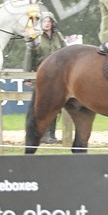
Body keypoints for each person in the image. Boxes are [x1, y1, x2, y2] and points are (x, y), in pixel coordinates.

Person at [25, 14, 66, 142]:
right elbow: (29, 56)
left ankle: (51, 135)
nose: (47, 23)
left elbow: (66, 52)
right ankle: (43, 134)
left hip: (57, 76)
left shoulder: (58, 36)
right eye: (44, 21)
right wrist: (27, 77)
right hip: (42, 75)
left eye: (49, 21)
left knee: (56, 105)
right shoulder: (36, 37)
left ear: (53, 23)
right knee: (43, 105)